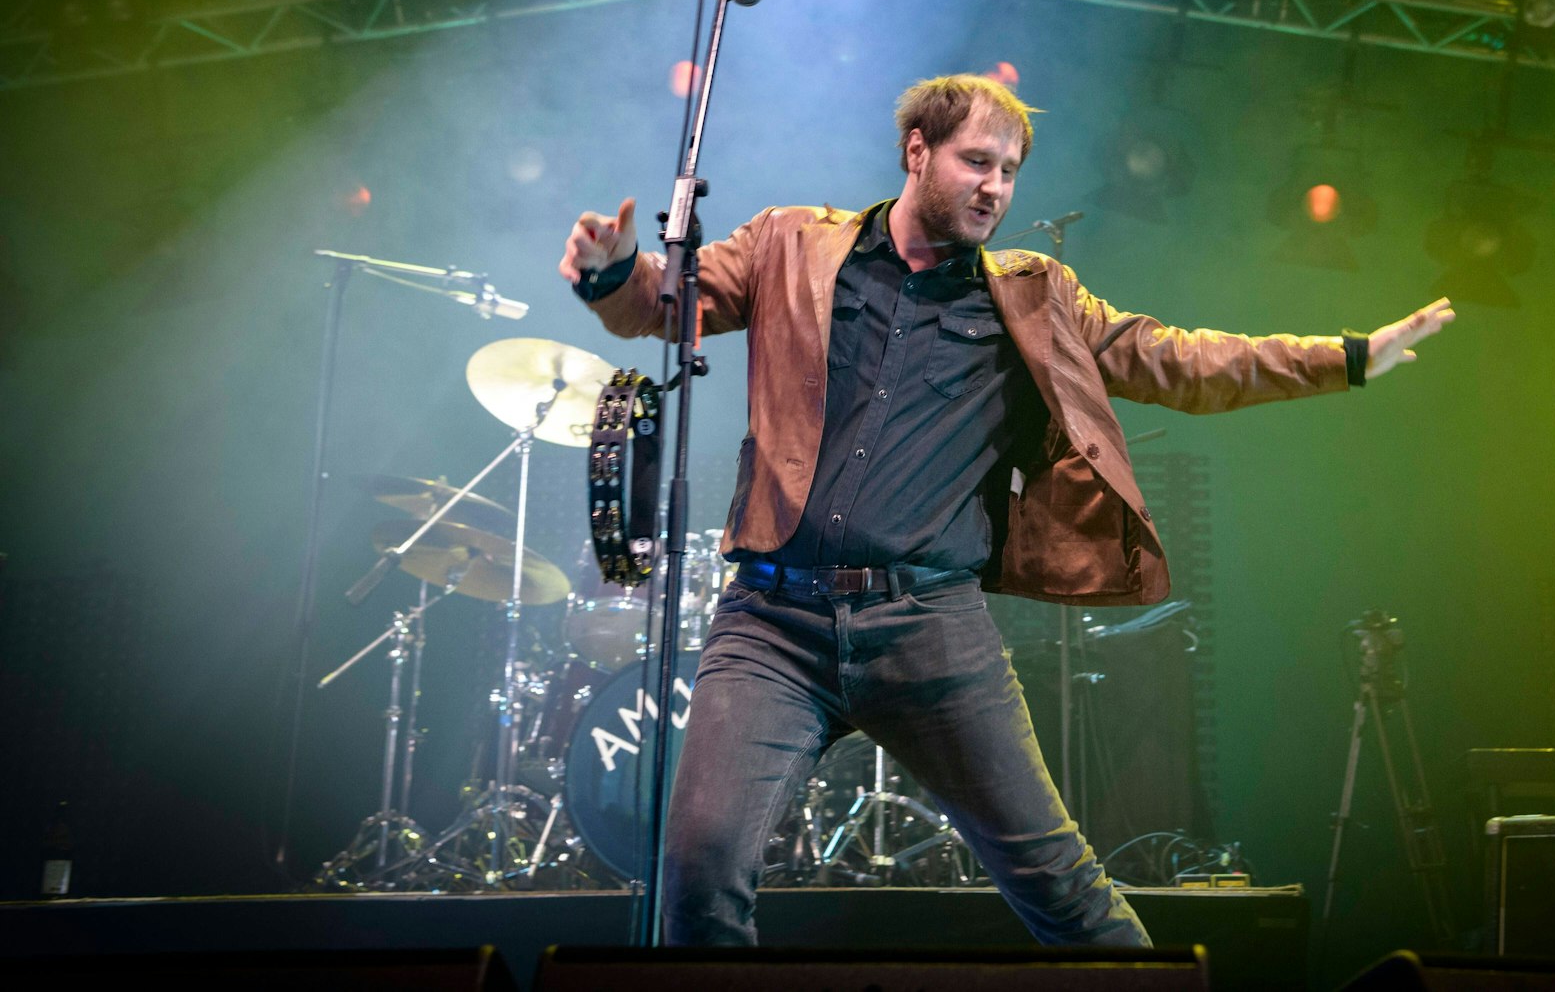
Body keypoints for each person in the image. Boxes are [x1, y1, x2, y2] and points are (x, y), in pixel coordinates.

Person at [559, 73, 1454, 946]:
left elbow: (1179, 359)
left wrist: (1347, 357)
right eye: (977, 162)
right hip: (772, 619)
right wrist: (611, 275)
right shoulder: (791, 243)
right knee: (699, 871)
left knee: (1059, 885)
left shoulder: (1031, 294)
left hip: (930, 626)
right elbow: (669, 303)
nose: (996, 187)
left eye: (1010, 170)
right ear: (917, 152)